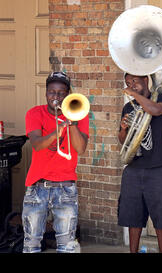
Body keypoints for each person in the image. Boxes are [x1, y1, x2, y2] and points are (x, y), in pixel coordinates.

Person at [23, 71, 89, 253]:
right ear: (46, 93)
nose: (56, 96)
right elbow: (36, 144)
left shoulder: (79, 115)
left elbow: (80, 148)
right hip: (37, 186)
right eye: (52, 92)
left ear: (68, 95)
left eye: (61, 93)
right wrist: (56, 133)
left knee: (67, 245)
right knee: (31, 243)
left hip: (65, 187)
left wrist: (72, 122)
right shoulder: (35, 113)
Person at [118, 73, 162, 253]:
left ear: (146, 80)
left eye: (134, 81)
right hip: (133, 169)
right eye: (128, 83)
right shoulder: (128, 107)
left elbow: (156, 111)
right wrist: (123, 128)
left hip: (158, 168)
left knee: (161, 216)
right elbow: (122, 140)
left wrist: (134, 94)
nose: (131, 85)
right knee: (132, 216)